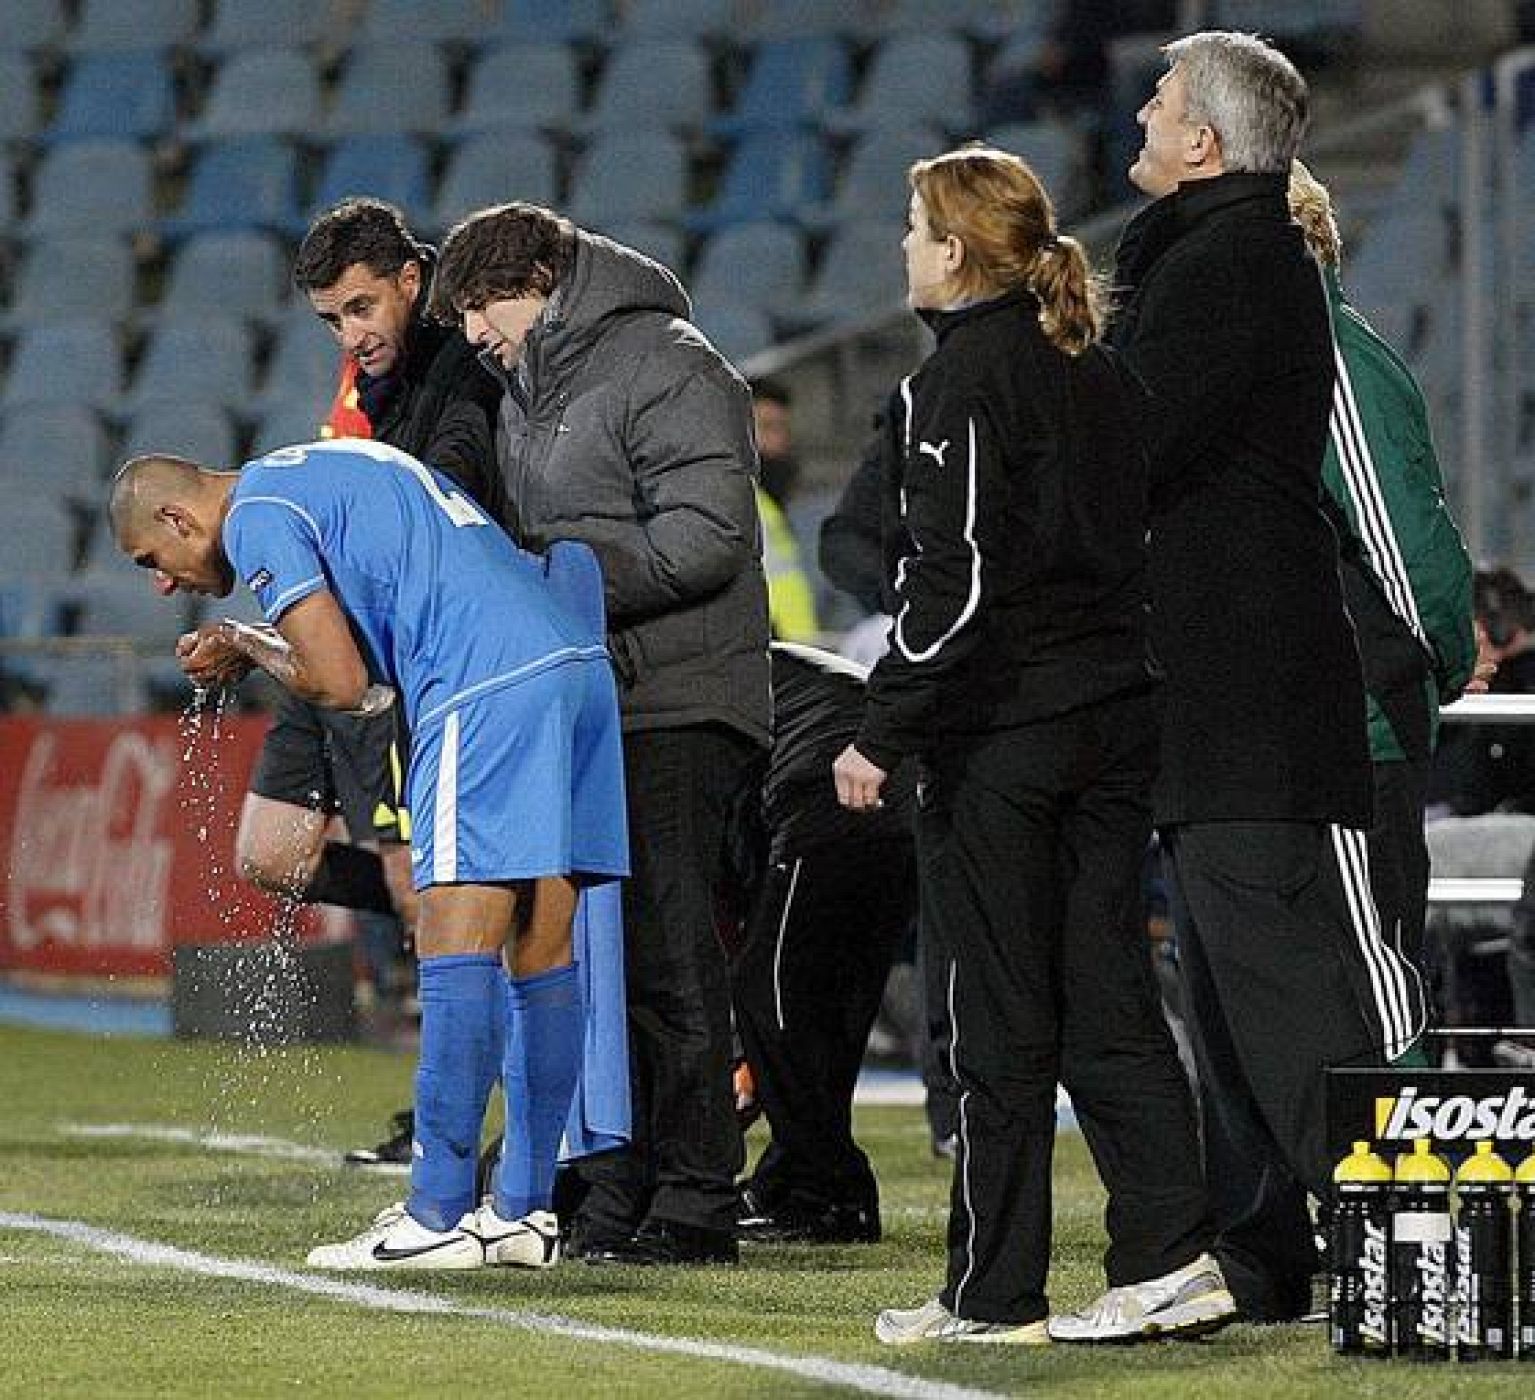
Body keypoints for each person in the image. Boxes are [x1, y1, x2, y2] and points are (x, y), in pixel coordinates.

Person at [833, 145, 1229, 1346]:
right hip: (1115, 721)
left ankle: (991, 1291)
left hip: (1005, 737)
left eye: (913, 227)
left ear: (953, 252)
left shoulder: (954, 385)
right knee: (1108, 995)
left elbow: (949, 589)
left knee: (997, 1015)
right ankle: (1169, 1258)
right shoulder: (1099, 371)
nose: (901, 246)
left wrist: (880, 727)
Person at [109, 440, 628, 1271]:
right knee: (543, 948)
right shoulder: (328, 465)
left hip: (481, 684)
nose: (162, 582)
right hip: (573, 667)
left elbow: (341, 684)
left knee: (456, 945)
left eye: (152, 558)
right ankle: (523, 1213)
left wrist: (245, 643)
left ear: (178, 515)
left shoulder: (260, 517)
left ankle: (437, 1215)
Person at [1110, 32, 1427, 1322]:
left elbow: (1128, 441)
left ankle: (1411, 1232)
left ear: (1204, 144)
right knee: (1235, 1004)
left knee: (1288, 1000)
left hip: (1251, 700)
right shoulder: (1201, 256)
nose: (1137, 111)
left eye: (1161, 98)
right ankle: (1267, 1256)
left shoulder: (1233, 260)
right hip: (1216, 693)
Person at [433, 203, 771, 1266]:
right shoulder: (531, 383)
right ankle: (609, 1184)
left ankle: (697, 1196)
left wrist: (558, 584)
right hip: (595, 702)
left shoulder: (666, 361)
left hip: (681, 699)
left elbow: (709, 535)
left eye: (485, 306)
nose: (476, 332)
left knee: (669, 953)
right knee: (592, 957)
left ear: (541, 275)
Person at [235, 200, 507, 1061]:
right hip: (348, 638)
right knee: (271, 854)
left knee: (422, 881)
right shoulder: (367, 384)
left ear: (410, 281)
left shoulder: (459, 369)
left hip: (417, 661)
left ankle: (452, 1102)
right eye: (330, 320)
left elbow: (451, 495)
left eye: (360, 308)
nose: (349, 335)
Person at [730, 642, 918, 1244]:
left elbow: (718, 868)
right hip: (894, 801)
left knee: (770, 1001)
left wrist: (736, 1057)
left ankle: (829, 1189)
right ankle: (796, 1185)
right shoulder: (756, 663)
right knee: (826, 1019)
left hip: (830, 796)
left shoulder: (694, 687)